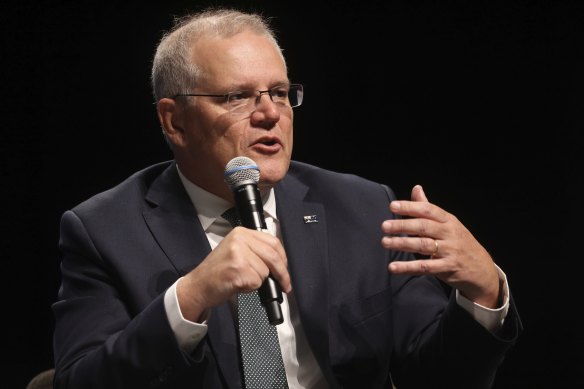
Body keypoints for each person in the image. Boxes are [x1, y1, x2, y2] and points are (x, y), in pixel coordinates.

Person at [52, 7, 522, 389]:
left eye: (279, 93)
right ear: (174, 121)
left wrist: (482, 293)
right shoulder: (104, 231)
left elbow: (438, 375)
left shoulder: (362, 208)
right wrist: (190, 297)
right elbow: (79, 380)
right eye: (238, 97)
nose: (270, 114)